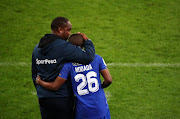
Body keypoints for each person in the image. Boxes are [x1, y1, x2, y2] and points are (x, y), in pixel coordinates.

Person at [36, 34, 112, 119]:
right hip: (101, 109)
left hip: (83, 112)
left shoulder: (68, 65)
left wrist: (40, 82)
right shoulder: (97, 58)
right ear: (83, 45)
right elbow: (108, 80)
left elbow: (55, 86)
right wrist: (101, 86)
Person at [31, 17, 95, 119]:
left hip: (43, 98)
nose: (70, 33)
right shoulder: (64, 47)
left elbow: (34, 74)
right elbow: (88, 57)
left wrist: (41, 90)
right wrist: (87, 40)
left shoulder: (37, 48)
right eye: (68, 30)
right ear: (60, 29)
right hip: (62, 99)